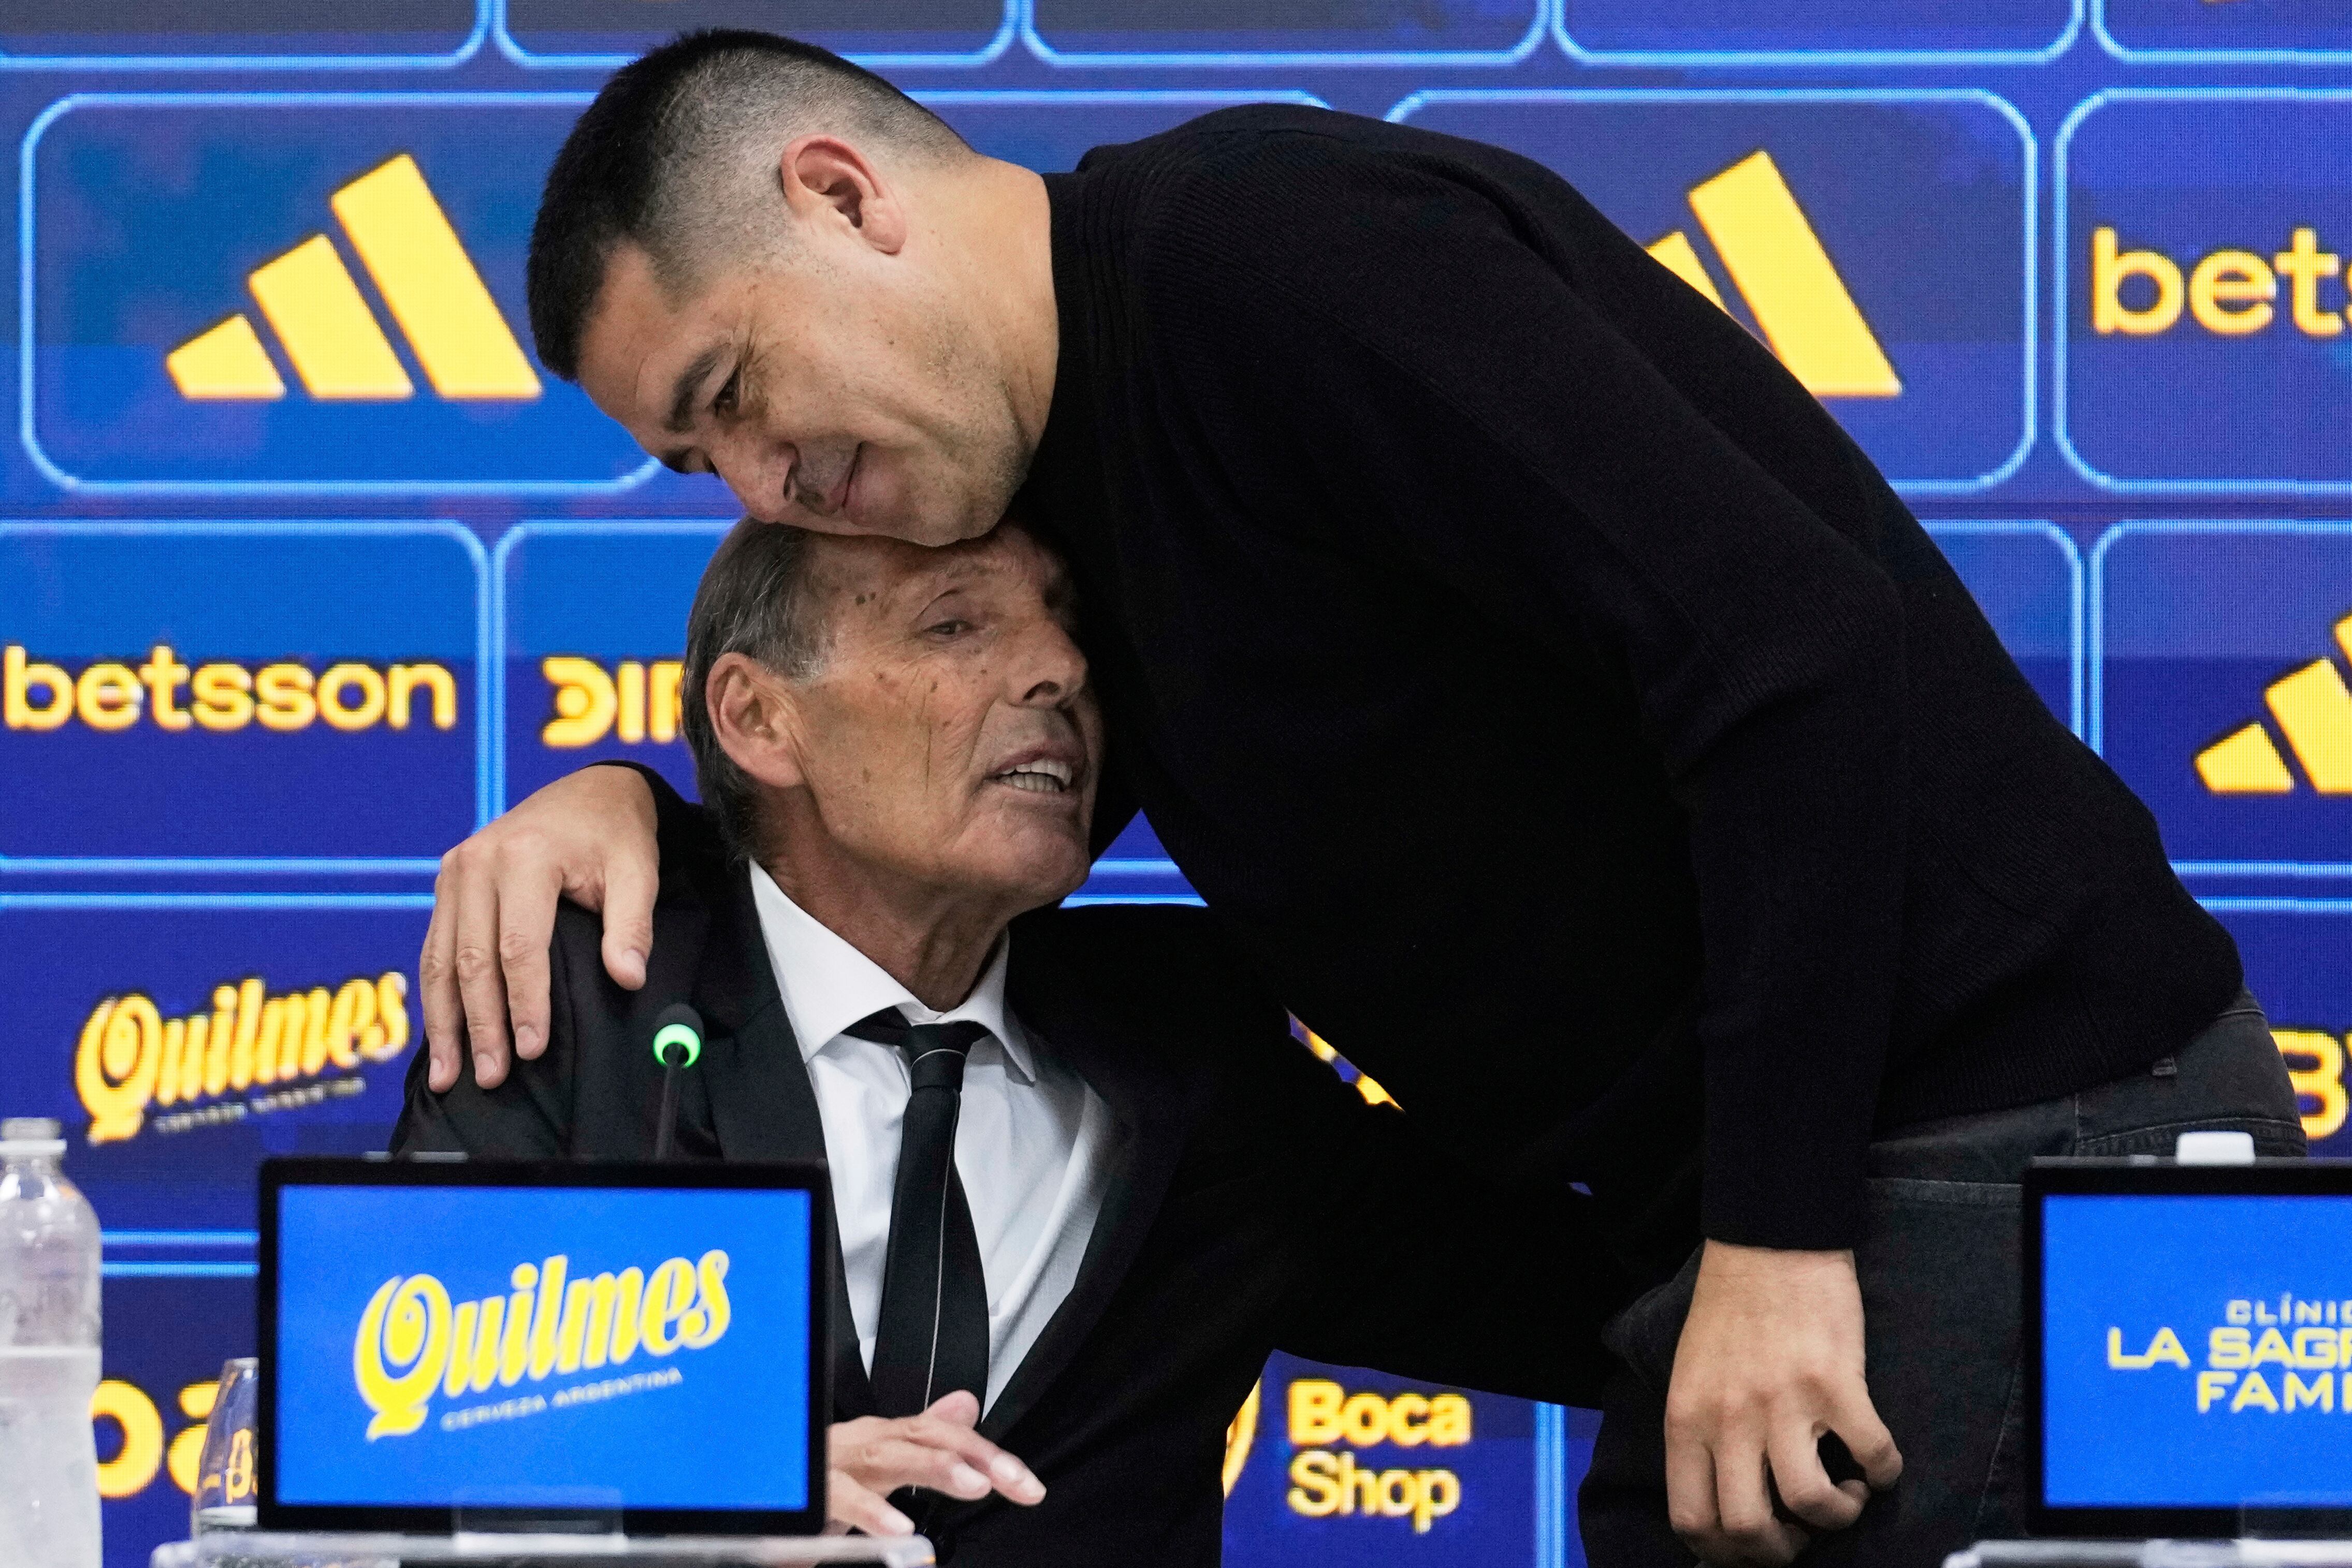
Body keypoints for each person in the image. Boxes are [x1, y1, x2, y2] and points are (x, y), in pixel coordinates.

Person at [421, 31, 2309, 1564]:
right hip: (1828, 1182)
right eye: (702, 457)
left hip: (2006, 1124)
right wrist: (633, 815)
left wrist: (1775, 1233)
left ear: (845, 195)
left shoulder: (1273, 257)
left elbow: (1795, 648)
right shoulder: (1055, 519)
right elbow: (865, 814)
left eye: (740, 387)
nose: (763, 478)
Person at [396, 515, 1628, 1562]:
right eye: (954, 626)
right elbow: (410, 1453)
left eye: (1069, 624)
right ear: (761, 719)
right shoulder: (580, 1005)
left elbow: (1574, 1297)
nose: (1057, 668)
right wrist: (707, 1512)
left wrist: (1776, 1252)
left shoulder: (1190, 1040)